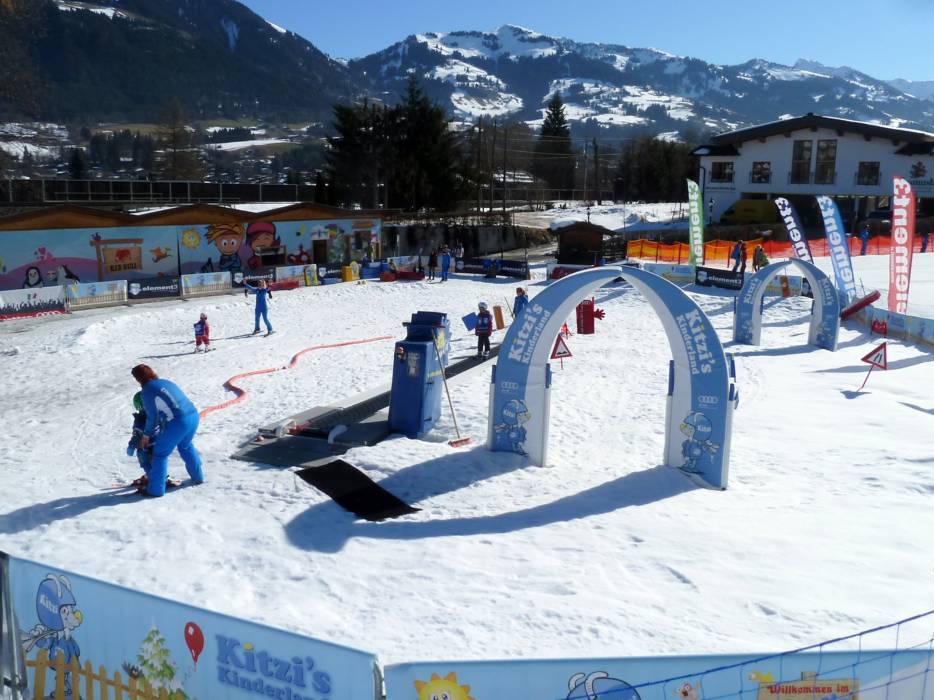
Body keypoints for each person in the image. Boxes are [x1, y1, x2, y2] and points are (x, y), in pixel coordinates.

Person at [130, 364, 204, 497]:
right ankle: (198, 477)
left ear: (138, 378)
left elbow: (152, 417)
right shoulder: (165, 382)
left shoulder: (147, 390)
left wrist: (146, 435)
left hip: (179, 422)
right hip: (193, 416)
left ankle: (156, 490)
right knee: (186, 446)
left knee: (160, 454)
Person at [125, 391, 169, 489]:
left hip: (147, 448)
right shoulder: (158, 413)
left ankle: (155, 479)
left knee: (146, 463)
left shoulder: (140, 419)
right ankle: (162, 477)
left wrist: (131, 446)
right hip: (160, 444)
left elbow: (137, 436)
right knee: (158, 463)